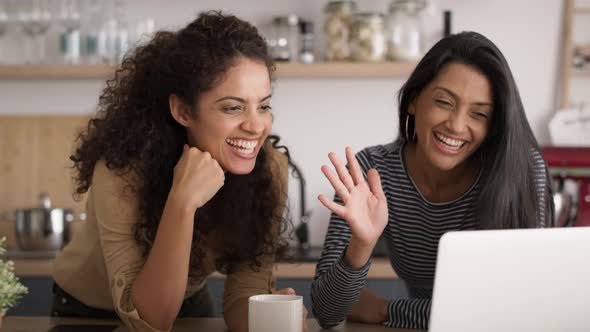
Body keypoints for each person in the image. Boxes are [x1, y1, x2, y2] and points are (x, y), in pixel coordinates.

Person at [51, 11, 306, 332]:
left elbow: (246, 291)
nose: (256, 126)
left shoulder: (269, 169)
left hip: (185, 302)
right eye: (233, 107)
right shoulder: (122, 171)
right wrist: (182, 202)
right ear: (183, 110)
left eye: (264, 105)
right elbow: (149, 320)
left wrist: (267, 320)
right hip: (88, 311)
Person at [311, 31, 554, 330]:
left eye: (479, 114)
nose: (456, 125)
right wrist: (362, 243)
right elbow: (327, 312)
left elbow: (521, 310)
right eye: (444, 102)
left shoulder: (521, 171)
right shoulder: (372, 172)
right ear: (414, 100)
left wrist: (388, 310)